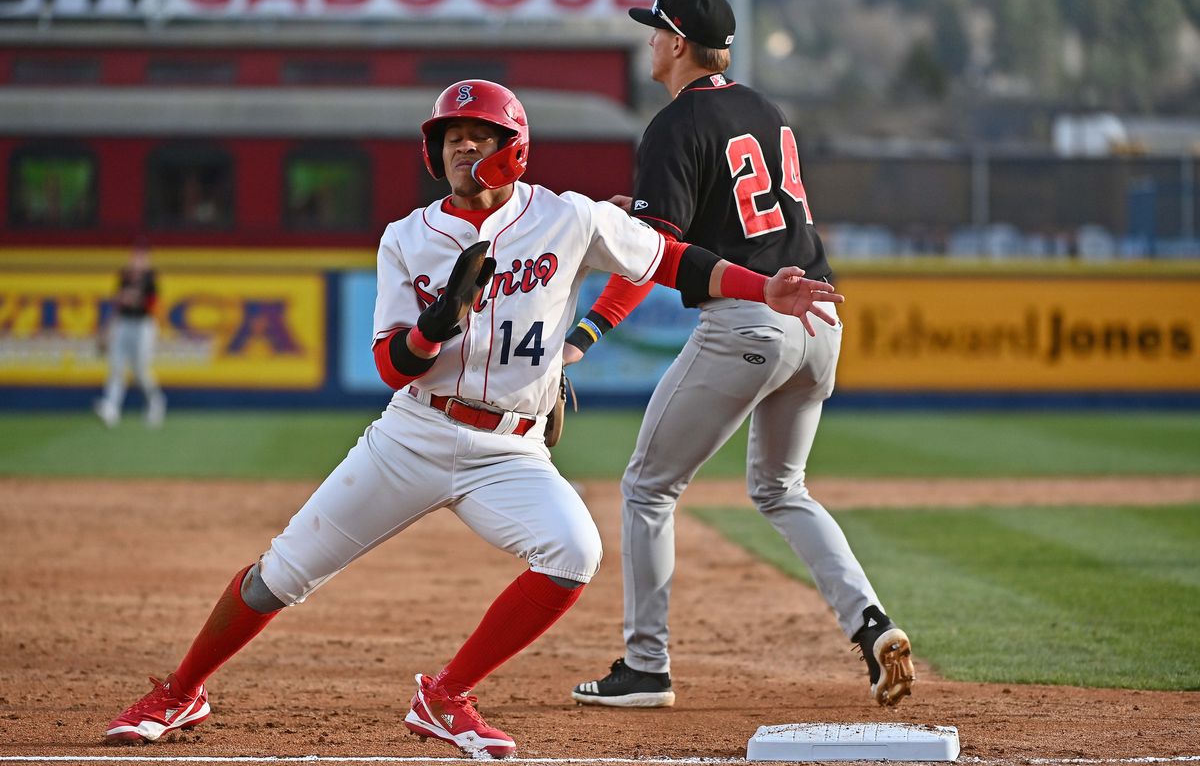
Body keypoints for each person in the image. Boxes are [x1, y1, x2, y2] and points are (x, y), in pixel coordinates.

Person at [103, 79, 844, 758]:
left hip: (511, 450)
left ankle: (445, 696)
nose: (462, 144)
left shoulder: (568, 218)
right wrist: (435, 325)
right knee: (280, 575)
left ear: (513, 149)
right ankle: (180, 692)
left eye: (479, 133)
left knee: (573, 552)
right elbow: (394, 365)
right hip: (414, 434)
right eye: (451, 134)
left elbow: (670, 260)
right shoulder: (407, 237)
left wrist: (759, 289)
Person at [567, 0, 915, 710]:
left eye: (655, 31)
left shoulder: (672, 125)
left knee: (647, 487)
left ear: (679, 43)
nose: (649, 42)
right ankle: (870, 623)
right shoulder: (763, 108)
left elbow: (653, 254)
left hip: (748, 320)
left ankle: (646, 666)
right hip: (819, 323)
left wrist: (588, 333)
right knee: (782, 489)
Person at [94, 241, 167, 428]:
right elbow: (117, 304)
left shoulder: (150, 279)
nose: (137, 260)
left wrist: (134, 300)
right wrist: (107, 329)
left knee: (140, 370)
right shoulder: (125, 277)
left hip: (143, 326)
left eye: (141, 257)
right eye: (135, 256)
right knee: (116, 365)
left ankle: (155, 402)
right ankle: (111, 408)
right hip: (123, 324)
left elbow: (153, 306)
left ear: (147, 260)